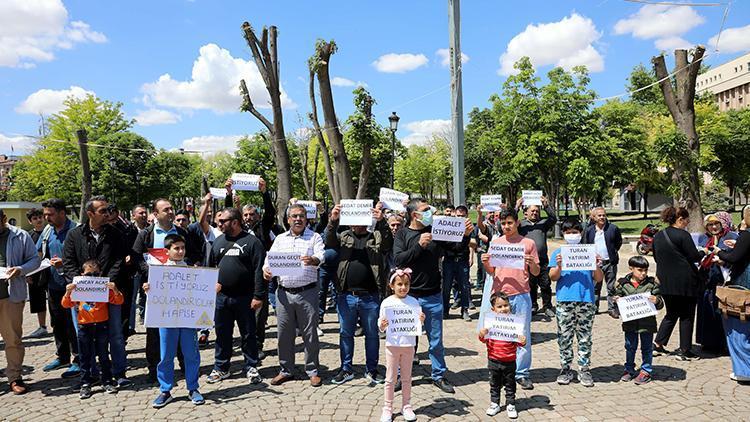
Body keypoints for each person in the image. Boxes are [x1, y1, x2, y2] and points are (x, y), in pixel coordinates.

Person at [393, 198, 472, 394]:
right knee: (406, 339)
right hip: (408, 297)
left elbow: (455, 248)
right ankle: (402, 375)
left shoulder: (436, 230)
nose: (430, 213)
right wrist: (419, 245)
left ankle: (438, 374)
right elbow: (399, 260)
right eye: (425, 210)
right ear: (414, 215)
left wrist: (465, 236)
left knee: (435, 339)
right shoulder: (403, 234)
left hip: (433, 295)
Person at [133, 198, 203, 382]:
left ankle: (186, 367)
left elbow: (196, 254)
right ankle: (154, 369)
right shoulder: (146, 234)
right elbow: (137, 257)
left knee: (183, 328)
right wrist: (152, 274)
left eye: (171, 209)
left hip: (180, 290)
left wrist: (192, 267)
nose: (171, 212)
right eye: (166, 210)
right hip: (156, 291)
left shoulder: (182, 232)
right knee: (155, 333)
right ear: (155, 214)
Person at [63, 196, 129, 386]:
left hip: (109, 292)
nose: (108, 214)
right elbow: (69, 262)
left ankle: (119, 372)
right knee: (85, 337)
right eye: (103, 211)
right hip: (82, 298)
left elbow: (118, 261)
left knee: (115, 334)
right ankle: (91, 374)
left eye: (108, 210)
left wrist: (106, 283)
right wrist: (81, 284)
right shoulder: (74, 235)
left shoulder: (116, 234)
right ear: (90, 213)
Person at [326, 201, 392, 385]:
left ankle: (371, 369)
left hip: (370, 296)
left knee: (372, 334)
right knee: (345, 333)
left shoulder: (375, 236)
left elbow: (388, 244)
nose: (356, 222)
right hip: (346, 295)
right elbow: (328, 240)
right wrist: (333, 221)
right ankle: (346, 369)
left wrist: (382, 222)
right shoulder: (343, 236)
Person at [263, 203, 325, 387]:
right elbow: (269, 259)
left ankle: (312, 370)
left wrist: (314, 260)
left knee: (310, 334)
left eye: (301, 216)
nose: (298, 219)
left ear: (307, 219)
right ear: (288, 219)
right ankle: (286, 370)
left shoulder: (314, 237)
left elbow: (321, 256)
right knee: (284, 334)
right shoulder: (280, 239)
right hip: (283, 294)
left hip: (308, 292)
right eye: (294, 216)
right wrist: (266, 270)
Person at [206, 208, 266, 385]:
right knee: (222, 334)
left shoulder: (252, 242)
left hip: (246, 297)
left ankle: (251, 366)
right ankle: (221, 367)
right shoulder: (217, 242)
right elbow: (210, 267)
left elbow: (259, 271)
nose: (219, 223)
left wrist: (258, 296)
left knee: (248, 334)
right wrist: (210, 288)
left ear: (235, 222)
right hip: (222, 298)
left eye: (223, 221)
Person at [143, 234, 205, 407]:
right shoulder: (159, 271)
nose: (180, 251)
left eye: (182, 248)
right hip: (167, 319)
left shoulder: (192, 271)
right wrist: (148, 288)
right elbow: (154, 294)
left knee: (191, 354)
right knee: (166, 356)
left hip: (187, 319)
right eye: (176, 248)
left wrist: (210, 288)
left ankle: (193, 388)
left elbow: (201, 292)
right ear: (167, 251)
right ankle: (165, 390)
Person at [481, 208, 539, 390]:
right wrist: (485, 263)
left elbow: (536, 272)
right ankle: (498, 368)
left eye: (510, 223)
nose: (506, 226)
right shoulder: (496, 243)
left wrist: (532, 264)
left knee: (522, 335)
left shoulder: (528, 243)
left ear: (517, 223)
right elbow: (492, 271)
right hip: (499, 295)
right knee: (498, 333)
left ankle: (521, 373)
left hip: (521, 294)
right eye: (503, 223)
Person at [549, 219, 603, 387]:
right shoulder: (558, 252)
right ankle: (565, 368)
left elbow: (598, 278)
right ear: (564, 234)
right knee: (564, 336)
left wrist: (596, 265)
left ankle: (584, 369)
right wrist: (558, 266)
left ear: (581, 233)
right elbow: (552, 277)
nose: (572, 235)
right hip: (565, 300)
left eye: (575, 232)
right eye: (568, 232)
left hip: (586, 299)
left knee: (585, 337)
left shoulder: (589, 252)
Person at [62, 260, 123, 399]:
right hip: (84, 326)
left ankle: (107, 380)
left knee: (103, 355)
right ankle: (85, 383)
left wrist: (115, 289)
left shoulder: (105, 288)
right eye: (89, 274)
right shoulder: (78, 289)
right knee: (85, 357)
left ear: (100, 274)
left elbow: (118, 301)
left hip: (101, 325)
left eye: (96, 274)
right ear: (82, 274)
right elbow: (66, 304)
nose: (93, 277)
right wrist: (68, 292)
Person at [653, 206, 707, 361]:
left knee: (671, 313)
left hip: (665, 281)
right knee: (687, 315)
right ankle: (685, 350)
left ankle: (658, 344)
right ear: (680, 219)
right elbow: (694, 256)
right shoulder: (683, 235)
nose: (688, 222)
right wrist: (704, 251)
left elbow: (657, 257)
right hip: (685, 281)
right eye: (687, 219)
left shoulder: (658, 235)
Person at [39, 199, 81, 379]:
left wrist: (65, 262)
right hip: (54, 286)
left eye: (50, 214)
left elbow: (85, 257)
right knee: (57, 322)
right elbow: (39, 253)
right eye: (45, 214)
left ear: (62, 213)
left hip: (74, 287)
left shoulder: (77, 230)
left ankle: (78, 359)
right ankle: (62, 356)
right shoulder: (47, 231)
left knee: (75, 324)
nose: (46, 217)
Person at [0, 208, 41, 395]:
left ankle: (15, 377)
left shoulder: (20, 236)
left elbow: (35, 260)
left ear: (4, 219)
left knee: (13, 340)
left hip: (10, 296)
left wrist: (21, 269)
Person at [378, 268, 424, 422]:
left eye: (406, 284)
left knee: (406, 377)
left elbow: (417, 324)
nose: (403, 287)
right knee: (390, 378)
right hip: (392, 345)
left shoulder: (414, 302)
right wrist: (382, 325)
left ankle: (406, 405)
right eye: (399, 284)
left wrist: (421, 320)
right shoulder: (387, 302)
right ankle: (387, 407)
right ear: (392, 286)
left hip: (409, 345)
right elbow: (381, 323)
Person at [612, 256, 664, 384]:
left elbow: (660, 302)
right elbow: (617, 302)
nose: (643, 273)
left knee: (647, 347)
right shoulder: (622, 284)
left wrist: (656, 300)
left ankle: (646, 370)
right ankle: (629, 369)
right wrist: (617, 302)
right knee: (630, 346)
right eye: (640, 270)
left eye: (645, 270)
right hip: (630, 323)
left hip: (647, 323)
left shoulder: (652, 284)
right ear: (631, 268)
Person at [479, 292, 526, 419]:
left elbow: (520, 342)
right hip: (494, 360)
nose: (503, 309)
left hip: (510, 360)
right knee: (494, 383)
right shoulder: (490, 323)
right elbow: (483, 339)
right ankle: (495, 403)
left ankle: (511, 404)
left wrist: (522, 340)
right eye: (499, 307)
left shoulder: (513, 323)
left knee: (510, 384)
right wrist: (482, 333)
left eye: (506, 305)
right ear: (493, 309)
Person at [717, 205, 750, 382]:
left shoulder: (747, 234)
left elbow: (733, 258)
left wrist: (718, 252)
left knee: (738, 328)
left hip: (744, 284)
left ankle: (744, 370)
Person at [696, 213, 737, 354]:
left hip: (723, 281)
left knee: (722, 313)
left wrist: (723, 261)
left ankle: (724, 344)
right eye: (710, 225)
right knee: (706, 311)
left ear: (722, 224)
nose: (713, 227)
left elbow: (737, 257)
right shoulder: (703, 238)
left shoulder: (730, 237)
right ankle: (707, 342)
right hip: (706, 281)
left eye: (716, 224)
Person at [516, 196, 557, 317]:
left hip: (542, 259)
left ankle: (547, 306)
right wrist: (516, 207)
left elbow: (553, 219)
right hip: (527, 260)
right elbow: (510, 219)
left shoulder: (543, 223)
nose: (535, 213)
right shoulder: (521, 225)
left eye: (537, 211)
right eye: (532, 211)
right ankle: (533, 305)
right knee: (531, 285)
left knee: (545, 284)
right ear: (525, 213)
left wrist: (546, 206)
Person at [583, 207, 622, 316]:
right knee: (595, 286)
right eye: (599, 215)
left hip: (610, 262)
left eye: (604, 215)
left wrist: (613, 252)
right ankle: (594, 307)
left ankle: (612, 308)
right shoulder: (589, 230)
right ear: (594, 217)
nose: (602, 217)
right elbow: (585, 244)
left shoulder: (613, 228)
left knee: (611, 287)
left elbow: (618, 242)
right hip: (595, 264)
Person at [442, 204, 474, 321]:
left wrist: (466, 236)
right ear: (454, 214)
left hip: (462, 261)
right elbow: (448, 245)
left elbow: (467, 245)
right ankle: (445, 310)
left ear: (467, 216)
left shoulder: (469, 228)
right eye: (458, 215)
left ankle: (465, 310)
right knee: (446, 287)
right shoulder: (448, 226)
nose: (460, 218)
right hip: (449, 260)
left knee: (464, 286)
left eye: (463, 216)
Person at [25, 208, 48, 338]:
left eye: (40, 217)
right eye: (35, 218)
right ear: (30, 221)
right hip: (35, 272)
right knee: (37, 300)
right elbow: (25, 256)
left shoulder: (49, 232)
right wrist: (27, 274)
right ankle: (42, 326)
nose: (39, 220)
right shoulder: (27, 236)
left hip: (50, 271)